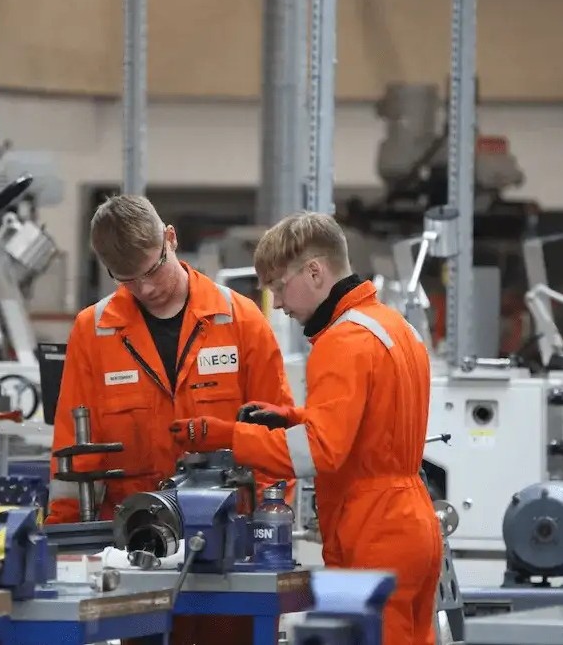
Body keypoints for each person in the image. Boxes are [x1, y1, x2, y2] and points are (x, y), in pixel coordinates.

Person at [169, 211, 443, 645]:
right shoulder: (394, 327)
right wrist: (289, 419)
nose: (277, 303)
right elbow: (374, 427)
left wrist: (227, 436)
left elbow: (319, 453)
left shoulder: (341, 342)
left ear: (314, 271)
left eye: (279, 286)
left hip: (372, 527)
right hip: (413, 520)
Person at [46, 194, 294, 645]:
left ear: (171, 239)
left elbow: (276, 436)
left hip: (229, 551)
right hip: (137, 551)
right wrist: (67, 545)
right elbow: (71, 449)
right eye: (127, 279)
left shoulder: (240, 319)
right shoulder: (94, 330)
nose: (144, 288)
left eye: (152, 270)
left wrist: (270, 534)